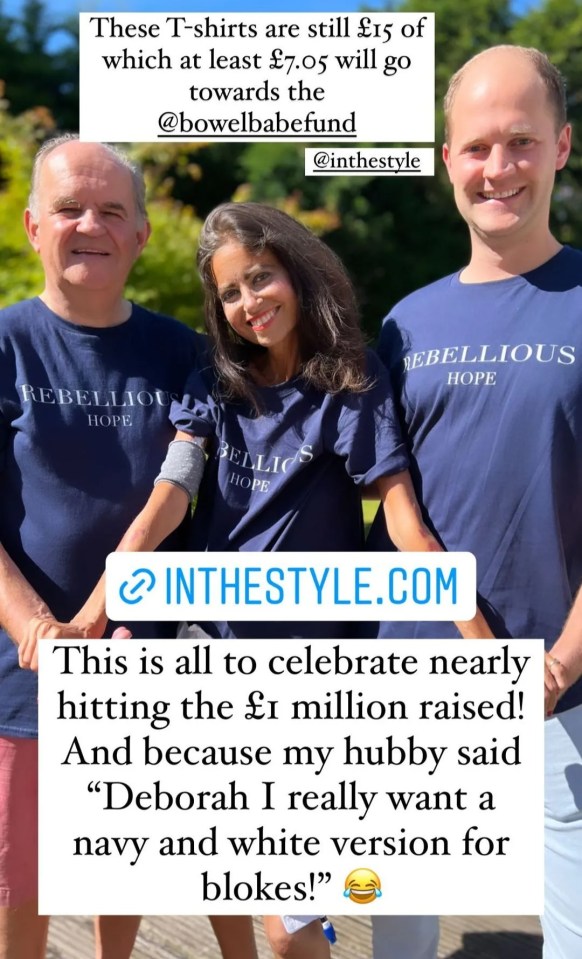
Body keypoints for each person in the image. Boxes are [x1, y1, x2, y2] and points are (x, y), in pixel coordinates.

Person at [75, 201, 492, 959]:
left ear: (295, 270)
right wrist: (92, 611)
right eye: (231, 293)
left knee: (291, 914)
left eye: (260, 278)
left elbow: (403, 522)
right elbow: (171, 492)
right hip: (201, 653)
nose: (249, 302)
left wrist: (482, 642)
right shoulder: (217, 380)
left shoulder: (349, 384)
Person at [0, 137, 256, 959]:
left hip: (143, 662)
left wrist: (103, 612)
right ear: (35, 224)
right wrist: (39, 628)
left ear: (142, 235)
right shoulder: (6, 341)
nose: (90, 225)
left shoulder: (181, 351)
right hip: (21, 673)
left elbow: (181, 484)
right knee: (22, 883)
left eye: (112, 210)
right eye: (70, 207)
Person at [367, 45, 582, 958]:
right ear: (445, 158)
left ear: (564, 146)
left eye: (522, 142)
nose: (500, 169)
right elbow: (388, 505)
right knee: (401, 939)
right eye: (478, 147)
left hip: (555, 689)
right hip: (413, 686)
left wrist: (562, 664)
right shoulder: (405, 323)